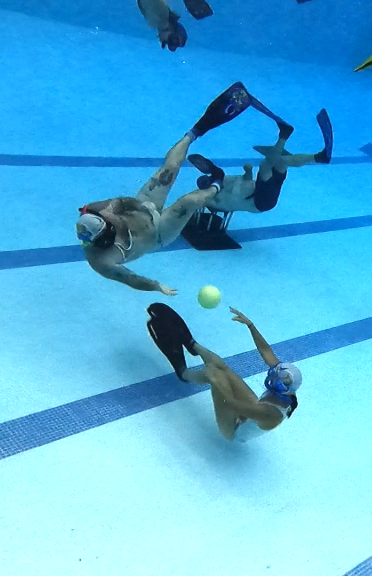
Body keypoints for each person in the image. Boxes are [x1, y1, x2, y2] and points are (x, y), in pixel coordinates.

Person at [75, 82, 253, 294]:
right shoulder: (101, 261)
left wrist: (141, 205)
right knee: (189, 202)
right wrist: (157, 286)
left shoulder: (97, 210)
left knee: (169, 168)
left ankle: (196, 131)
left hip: (143, 206)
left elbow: (122, 202)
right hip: (159, 233)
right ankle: (217, 182)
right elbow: (130, 279)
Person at [146, 303, 302, 442]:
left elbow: (232, 404)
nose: (272, 380)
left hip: (234, 430)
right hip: (251, 412)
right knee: (222, 367)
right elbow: (265, 351)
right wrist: (250, 325)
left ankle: (184, 374)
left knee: (216, 373)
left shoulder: (272, 414)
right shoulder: (285, 387)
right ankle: (192, 344)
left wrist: (214, 380)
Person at [187, 109, 333, 214]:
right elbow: (229, 198)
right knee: (265, 165)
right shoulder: (215, 199)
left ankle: (318, 157)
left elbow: (242, 179)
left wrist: (247, 172)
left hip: (260, 192)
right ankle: (284, 136)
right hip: (260, 202)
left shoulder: (223, 181)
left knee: (282, 162)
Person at [136, 0, 214, 52]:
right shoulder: (159, 14)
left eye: (164, 42)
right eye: (166, 41)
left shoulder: (156, 19)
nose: (161, 39)